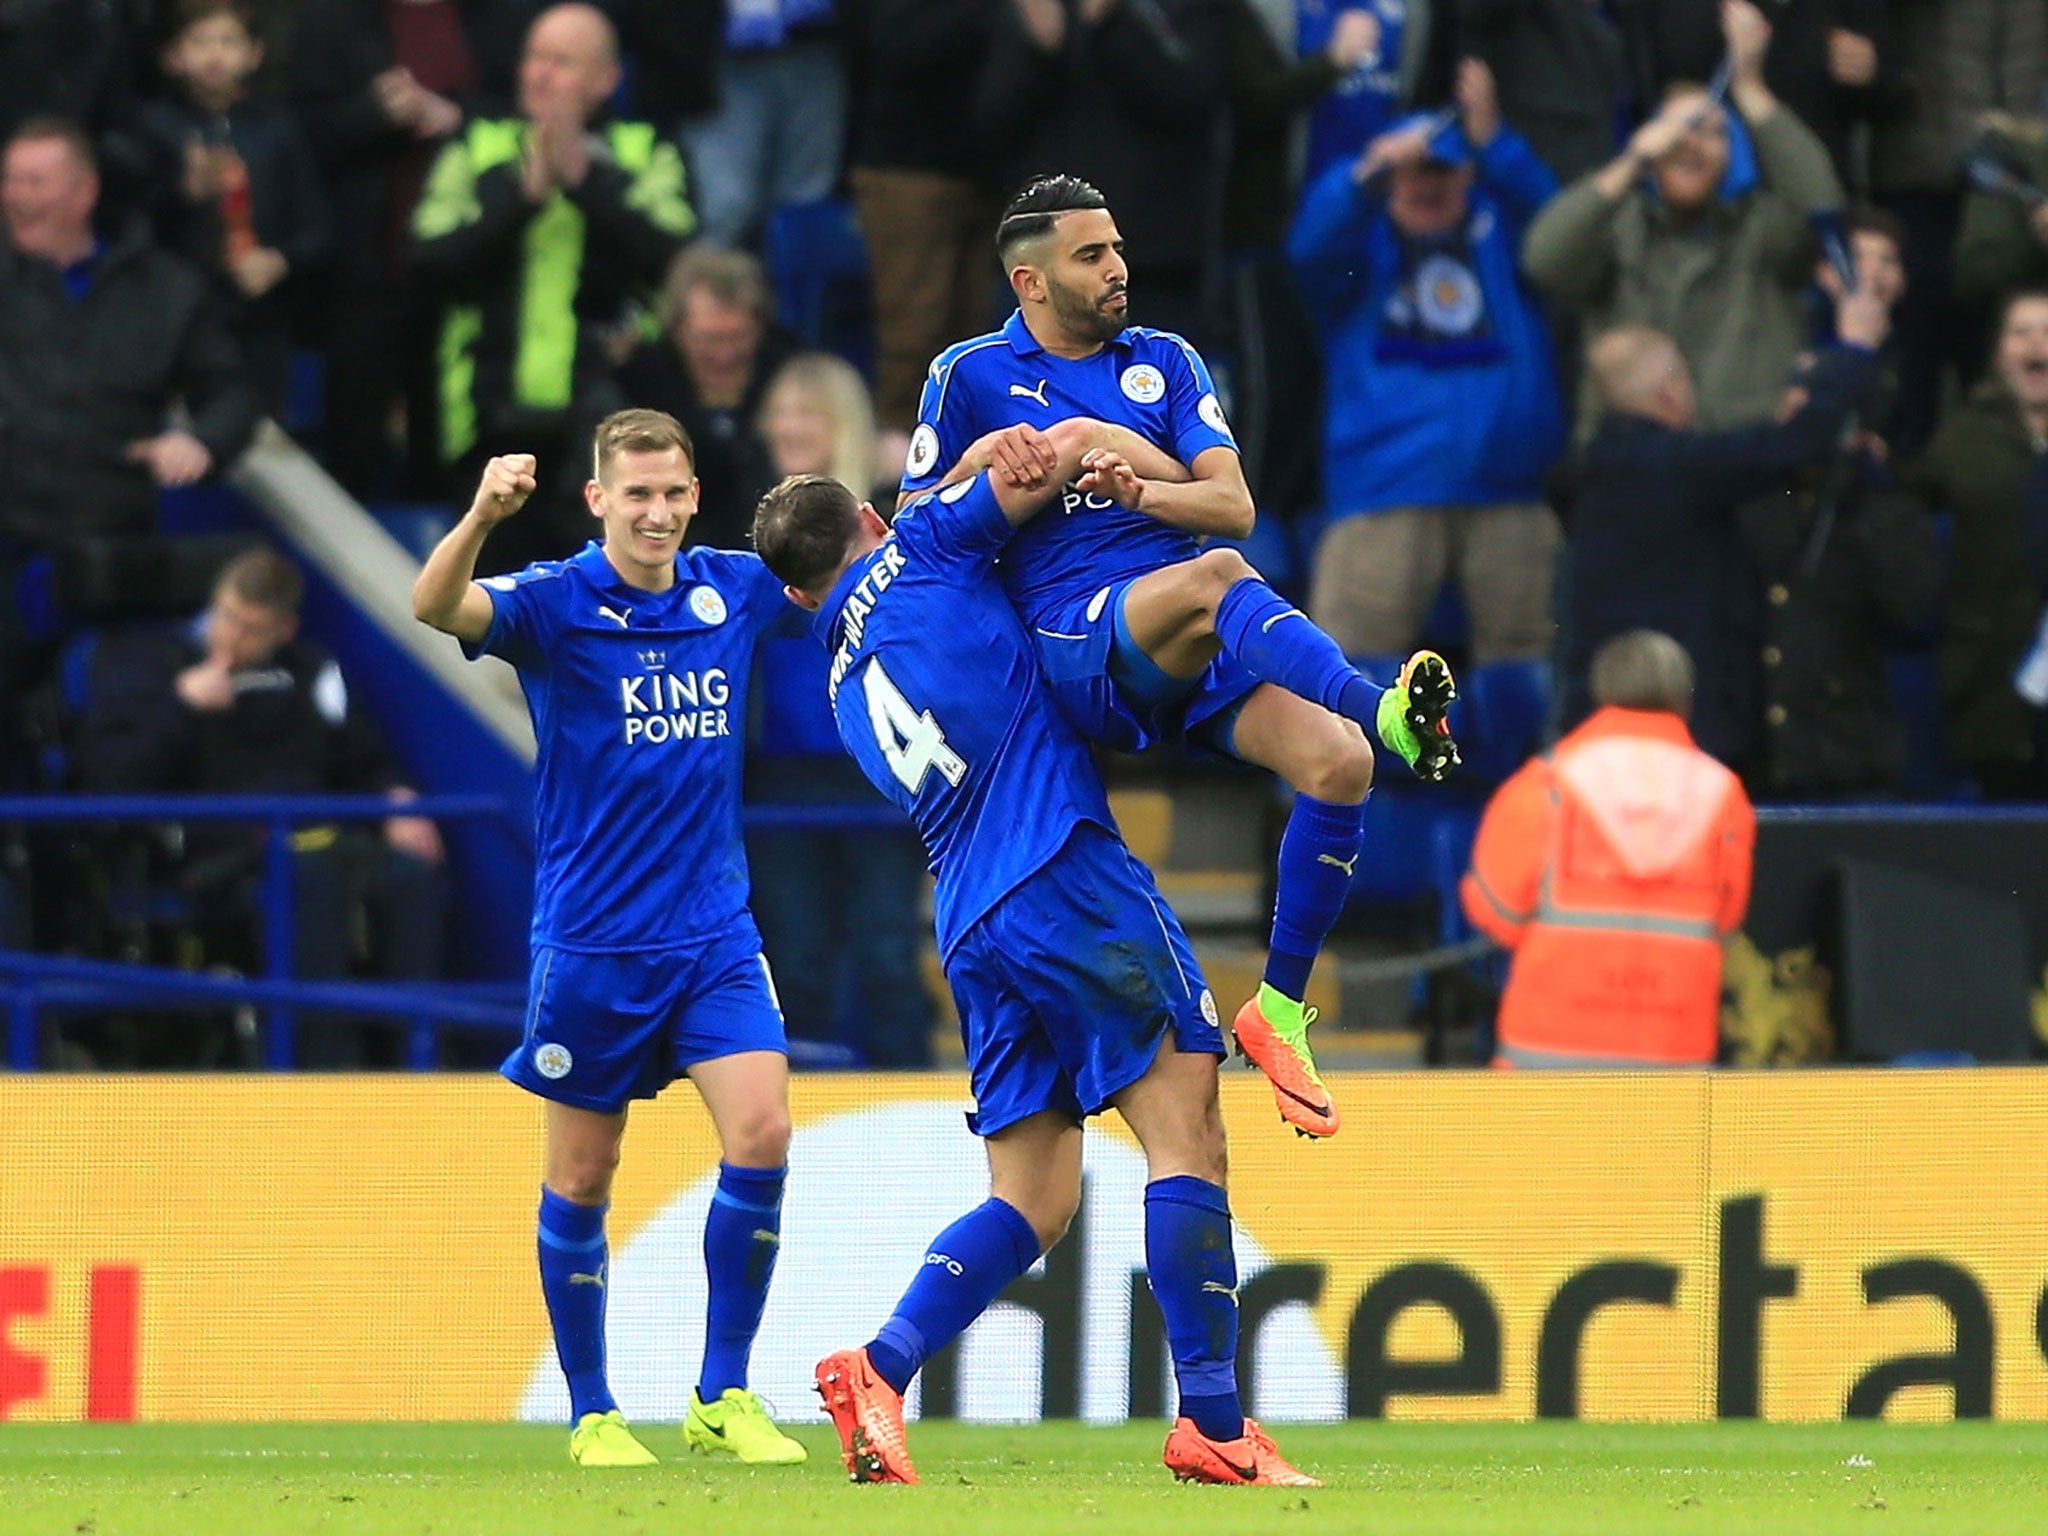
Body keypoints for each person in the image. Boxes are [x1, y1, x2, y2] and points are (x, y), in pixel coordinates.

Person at [753, 424, 1320, 1488]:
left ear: (794, 598)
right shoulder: (918, 543)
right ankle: (1213, 1422)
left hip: (969, 919)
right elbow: (1038, 469)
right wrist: (1036, 445)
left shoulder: (835, 678)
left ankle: (878, 1367)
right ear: (871, 521)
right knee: (1184, 1130)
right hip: (1060, 872)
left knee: (1034, 1195)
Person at [902, 172, 1459, 1140]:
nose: (1118, 267)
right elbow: (913, 531)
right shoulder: (968, 374)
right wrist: (985, 467)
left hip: (1179, 626)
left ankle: (1278, 1013)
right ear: (1029, 282)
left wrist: (1126, 468)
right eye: (1090, 255)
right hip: (1072, 641)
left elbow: (1228, 501)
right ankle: (1377, 701)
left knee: (1338, 764)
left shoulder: (1164, 360)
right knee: (1218, 579)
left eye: (1116, 246)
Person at [409, 409, 806, 1468]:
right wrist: (483, 515)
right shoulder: (552, 603)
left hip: (715, 933)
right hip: (591, 944)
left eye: (673, 493)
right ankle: (591, 1410)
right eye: (636, 495)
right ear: (598, 501)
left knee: (762, 1132)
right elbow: (433, 602)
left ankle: (722, 1393)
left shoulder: (734, 587)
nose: (658, 514)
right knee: (584, 1176)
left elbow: (837, 571)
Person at [72, 547, 449, 1068]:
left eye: (253, 628)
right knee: (307, 880)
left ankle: (419, 1062)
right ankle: (323, 1070)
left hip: (322, 833)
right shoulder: (150, 664)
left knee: (409, 876)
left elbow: (361, 755)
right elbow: (108, 781)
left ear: (284, 629)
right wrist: (181, 707)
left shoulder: (310, 673)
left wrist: (396, 798)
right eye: (227, 617)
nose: (232, 637)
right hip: (219, 847)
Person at [1287, 60, 1566, 671]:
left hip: (1508, 491)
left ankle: (1516, 774)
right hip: (1384, 490)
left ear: (1469, 176)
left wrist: (1496, 144)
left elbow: (1561, 229)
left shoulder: (1505, 242)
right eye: (1407, 172)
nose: (1424, 185)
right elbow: (1308, 247)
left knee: (1526, 679)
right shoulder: (1356, 254)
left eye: (1441, 169)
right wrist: (1365, 174)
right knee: (1351, 680)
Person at [408, 2, 695, 574]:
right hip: (482, 421)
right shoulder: (478, 144)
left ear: (606, 78)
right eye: (534, 57)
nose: (538, 73)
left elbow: (679, 261)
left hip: (614, 427)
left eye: (560, 61)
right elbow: (425, 261)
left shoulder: (646, 150)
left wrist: (586, 181)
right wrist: (523, 195)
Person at [1556, 284, 1887, 775]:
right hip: (1684, 720)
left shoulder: (1588, 473)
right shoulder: (1678, 467)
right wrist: (1855, 350)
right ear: (1670, 391)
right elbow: (1796, 443)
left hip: (1603, 713)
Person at [1523, 0, 1847, 438]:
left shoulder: (1764, 227)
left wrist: (1750, 89)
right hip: (1638, 473)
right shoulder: (1617, 228)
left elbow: (1821, 204)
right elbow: (1544, 259)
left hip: (1744, 464)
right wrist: (1633, 163)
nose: (1692, 143)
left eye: (1713, 133)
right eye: (1678, 130)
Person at [746, 354, 935, 1066]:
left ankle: (912, 1116)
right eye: (782, 412)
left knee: (888, 954)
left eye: (808, 413)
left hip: (879, 775)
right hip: (782, 778)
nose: (789, 426)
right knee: (794, 964)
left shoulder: (892, 528)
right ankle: (792, 1128)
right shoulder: (756, 531)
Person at [1461, 629, 1756, 1068]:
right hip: (1674, 1060)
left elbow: (1493, 909)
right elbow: (1727, 917)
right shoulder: (1724, 795)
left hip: (1546, 1057)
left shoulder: (1546, 783)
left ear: (1600, 688)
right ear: (1685, 695)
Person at [135, 0, 332, 416]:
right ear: (172, 55)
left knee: (261, 423)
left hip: (261, 316)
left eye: (228, 41)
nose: (215, 54)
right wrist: (184, 191)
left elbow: (316, 225)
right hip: (179, 316)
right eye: (200, 41)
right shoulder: (153, 126)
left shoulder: (278, 126)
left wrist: (279, 260)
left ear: (254, 54)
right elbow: (131, 224)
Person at [1901, 289, 2048, 798]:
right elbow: (1907, 510)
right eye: (2021, 332)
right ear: (1997, 353)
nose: (2037, 344)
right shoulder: (1961, 440)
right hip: (1990, 682)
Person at [614, 244, 796, 551]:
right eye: (709, 338)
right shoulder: (637, 383)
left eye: (738, 337)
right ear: (677, 330)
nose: (724, 354)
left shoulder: (790, 370)